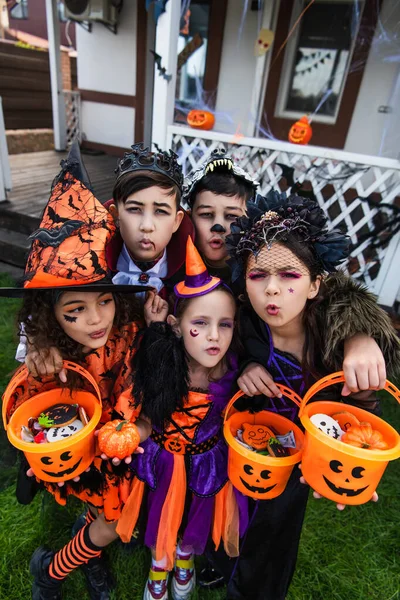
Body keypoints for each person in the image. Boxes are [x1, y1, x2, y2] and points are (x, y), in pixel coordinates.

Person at [211, 192, 400, 600]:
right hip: (249, 446)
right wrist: (246, 367)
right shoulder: (244, 324)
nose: (272, 291)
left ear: (315, 284)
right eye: (258, 276)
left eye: (289, 276)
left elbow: (360, 415)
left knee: (273, 539)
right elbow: (224, 357)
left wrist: (362, 339)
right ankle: (222, 563)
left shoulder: (335, 342)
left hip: (300, 461)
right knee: (230, 515)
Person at [2, 151, 152, 600]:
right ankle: (52, 571)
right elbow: (35, 415)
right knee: (108, 523)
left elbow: (137, 385)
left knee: (112, 515)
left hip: (118, 446)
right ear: (51, 317)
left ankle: (75, 555)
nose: (94, 320)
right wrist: (41, 367)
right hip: (75, 452)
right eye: (75, 311)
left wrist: (130, 427)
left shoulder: (127, 331)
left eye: (104, 300)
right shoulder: (49, 355)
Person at [125, 237, 248, 600]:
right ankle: (159, 567)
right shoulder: (163, 365)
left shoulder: (234, 370)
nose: (214, 336)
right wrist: (136, 432)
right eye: (201, 323)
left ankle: (184, 559)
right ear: (177, 326)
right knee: (160, 517)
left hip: (208, 462)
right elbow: (148, 416)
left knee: (194, 518)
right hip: (164, 461)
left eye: (225, 325)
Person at [108, 142, 194, 297]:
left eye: (160, 211)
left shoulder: (190, 274)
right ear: (116, 216)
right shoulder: (91, 266)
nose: (146, 226)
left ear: (177, 221)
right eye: (134, 209)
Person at [183, 148, 257, 284]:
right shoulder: (172, 269)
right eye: (206, 214)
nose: (218, 226)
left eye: (231, 216)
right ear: (189, 217)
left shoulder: (255, 275)